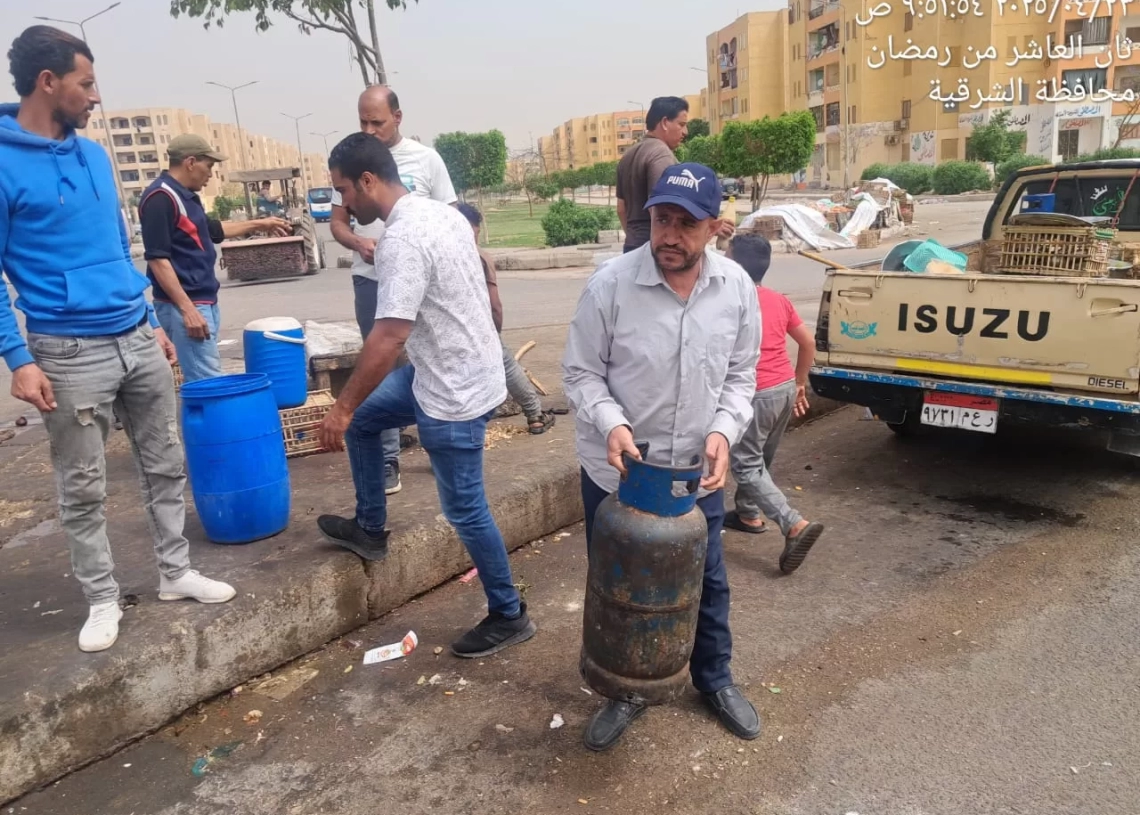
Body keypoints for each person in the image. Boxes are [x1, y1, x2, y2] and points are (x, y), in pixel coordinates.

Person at [0, 26, 235, 653]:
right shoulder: (2, 163)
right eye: (86, 83)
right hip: (67, 352)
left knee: (165, 462)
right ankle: (102, 599)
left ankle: (175, 573)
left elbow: (115, 251)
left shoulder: (96, 156)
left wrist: (151, 322)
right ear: (48, 83)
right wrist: (18, 358)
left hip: (136, 336)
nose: (96, 96)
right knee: (83, 486)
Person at [563, 163, 761, 751]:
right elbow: (580, 372)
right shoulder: (610, 285)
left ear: (716, 227)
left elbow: (741, 376)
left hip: (693, 477)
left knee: (708, 579)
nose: (669, 235)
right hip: (619, 474)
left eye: (686, 223)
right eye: (661, 219)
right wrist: (612, 424)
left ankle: (714, 680)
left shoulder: (736, 290)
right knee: (623, 586)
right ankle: (628, 687)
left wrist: (724, 431)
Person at [316, 133, 536, 659]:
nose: (344, 204)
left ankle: (509, 613)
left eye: (346, 190)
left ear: (369, 181)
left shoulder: (404, 239)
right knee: (371, 421)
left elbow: (389, 334)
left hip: (453, 390)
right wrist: (354, 413)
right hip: (450, 370)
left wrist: (339, 409)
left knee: (465, 509)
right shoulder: (445, 214)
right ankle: (370, 528)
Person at [329, 86, 459, 496]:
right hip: (372, 278)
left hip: (422, 282)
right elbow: (338, 224)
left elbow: (453, 219)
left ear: (398, 118)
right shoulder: (349, 162)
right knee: (379, 362)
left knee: (424, 361)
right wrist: (359, 243)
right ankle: (386, 460)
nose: (369, 129)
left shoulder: (426, 161)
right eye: (362, 121)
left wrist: (342, 409)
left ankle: (440, 447)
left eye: (377, 122)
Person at [140, 134, 290, 383]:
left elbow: (214, 230)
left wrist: (259, 224)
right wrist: (187, 309)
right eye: (208, 166)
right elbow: (157, 259)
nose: (210, 174)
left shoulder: (184, 196)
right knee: (207, 383)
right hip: (187, 304)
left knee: (204, 379)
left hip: (203, 301)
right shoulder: (161, 198)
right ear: (190, 162)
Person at [722, 235, 825, 573]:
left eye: (725, 254)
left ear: (733, 265)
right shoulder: (778, 300)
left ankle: (793, 524)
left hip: (755, 392)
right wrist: (799, 384)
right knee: (761, 456)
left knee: (746, 465)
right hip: (782, 388)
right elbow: (808, 343)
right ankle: (749, 515)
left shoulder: (731, 302)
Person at [456, 202, 556, 435]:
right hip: (480, 327)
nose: (474, 239)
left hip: (452, 329)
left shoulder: (437, 253)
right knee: (507, 365)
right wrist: (495, 332)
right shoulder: (479, 257)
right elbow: (495, 305)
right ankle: (535, 415)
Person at [615, 97, 733, 254]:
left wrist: (634, 239)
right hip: (657, 249)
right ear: (664, 123)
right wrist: (707, 229)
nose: (686, 132)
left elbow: (621, 209)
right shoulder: (660, 154)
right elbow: (663, 207)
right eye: (681, 124)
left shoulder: (628, 155)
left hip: (632, 246)